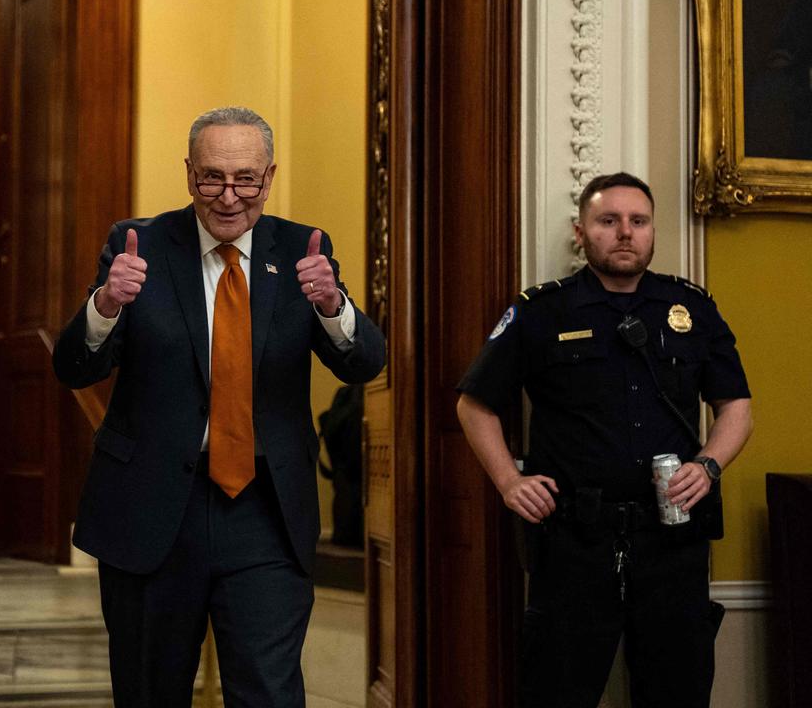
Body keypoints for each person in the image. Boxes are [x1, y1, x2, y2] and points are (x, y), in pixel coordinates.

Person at [53, 106, 385, 707]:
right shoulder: (140, 245)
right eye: (212, 178)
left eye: (246, 180)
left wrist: (334, 305)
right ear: (188, 174)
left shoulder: (303, 249)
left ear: (269, 176)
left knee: (269, 692)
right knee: (150, 692)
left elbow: (364, 364)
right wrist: (105, 303)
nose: (229, 197)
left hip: (265, 513)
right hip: (151, 509)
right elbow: (75, 367)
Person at [455, 172, 753, 708]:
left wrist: (708, 466)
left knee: (677, 693)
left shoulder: (690, 308)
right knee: (557, 692)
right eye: (607, 221)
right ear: (580, 231)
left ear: (653, 231)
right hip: (574, 541)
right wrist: (508, 481)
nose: (624, 233)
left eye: (638, 222)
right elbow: (474, 405)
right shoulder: (542, 311)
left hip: (672, 542)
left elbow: (736, 407)